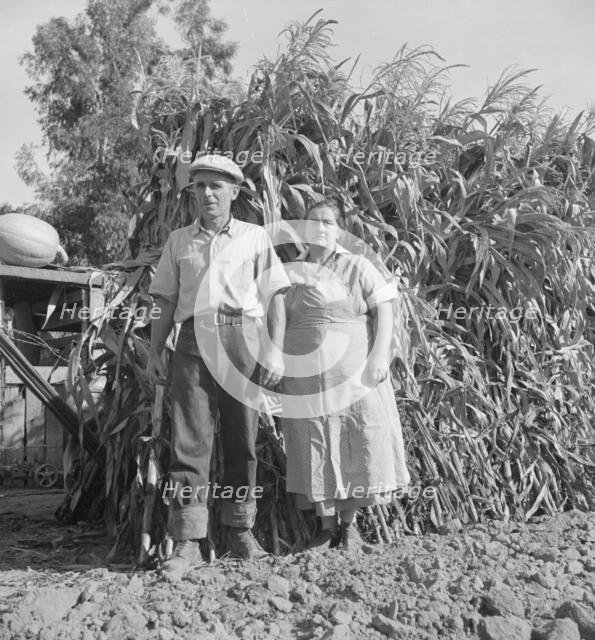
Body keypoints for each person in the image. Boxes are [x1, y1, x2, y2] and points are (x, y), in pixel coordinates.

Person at [146, 155, 290, 576]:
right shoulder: (178, 241)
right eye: (200, 186)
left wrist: (276, 351)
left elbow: (275, 296)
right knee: (189, 440)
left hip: (241, 338)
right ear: (191, 192)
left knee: (241, 438)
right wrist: (156, 352)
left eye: (216, 186)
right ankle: (188, 540)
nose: (207, 193)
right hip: (192, 341)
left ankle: (240, 531)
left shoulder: (255, 236)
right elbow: (166, 302)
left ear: (234, 192)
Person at [280, 198, 410, 550]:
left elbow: (385, 310)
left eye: (327, 222)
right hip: (305, 375)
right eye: (313, 222)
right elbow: (276, 319)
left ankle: (349, 527)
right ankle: (325, 527)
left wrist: (381, 355)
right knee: (313, 439)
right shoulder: (291, 271)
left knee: (355, 438)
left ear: (339, 229)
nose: (320, 228)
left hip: (354, 374)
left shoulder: (358, 265)